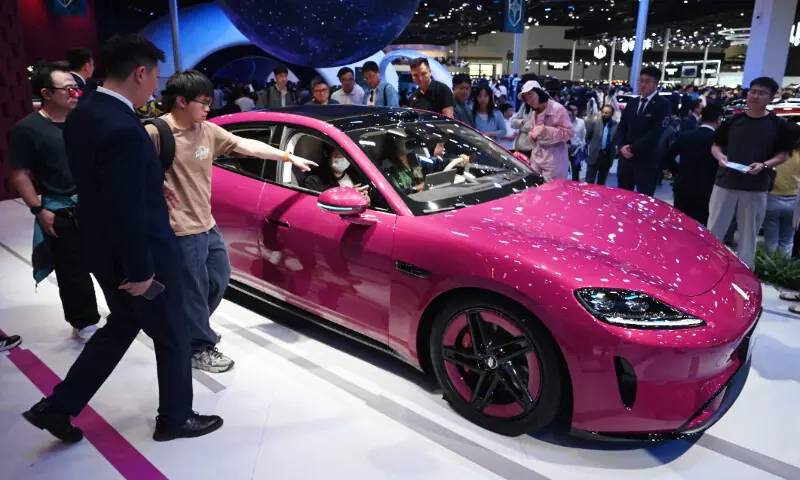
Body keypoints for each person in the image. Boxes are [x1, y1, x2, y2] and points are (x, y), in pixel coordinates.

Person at [22, 34, 222, 444]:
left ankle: (58, 407)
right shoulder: (121, 126)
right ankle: (175, 417)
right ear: (139, 72)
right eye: (154, 77)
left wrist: (152, 183)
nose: (156, 86)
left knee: (124, 324)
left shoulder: (85, 112)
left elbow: (108, 182)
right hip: (138, 255)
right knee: (173, 330)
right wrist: (142, 271)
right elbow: (129, 210)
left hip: (102, 245)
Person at [147, 70, 316, 373]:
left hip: (206, 224)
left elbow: (246, 146)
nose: (208, 108)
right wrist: (154, 180)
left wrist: (287, 158)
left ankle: (188, 328)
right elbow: (124, 167)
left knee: (219, 277)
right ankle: (198, 346)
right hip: (180, 229)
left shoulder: (207, 131)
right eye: (203, 102)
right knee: (195, 290)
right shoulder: (157, 133)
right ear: (182, 102)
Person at [10, 62, 101, 343]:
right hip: (60, 207)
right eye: (68, 88)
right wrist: (39, 210)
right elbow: (20, 174)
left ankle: (125, 310)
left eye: (77, 87)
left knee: (110, 259)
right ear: (47, 93)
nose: (75, 93)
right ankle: (84, 321)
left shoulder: (84, 121)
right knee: (72, 269)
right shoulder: (28, 129)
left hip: (96, 203)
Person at [709, 77, 794, 270]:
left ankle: (745, 272)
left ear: (772, 98)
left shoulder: (778, 124)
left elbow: (783, 154)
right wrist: (720, 158)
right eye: (753, 91)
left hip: (755, 186)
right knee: (714, 229)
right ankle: (709, 267)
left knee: (748, 235)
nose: (755, 96)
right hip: (725, 183)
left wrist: (764, 164)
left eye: (761, 93)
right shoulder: (733, 120)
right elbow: (716, 145)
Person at [614, 66, 671, 196]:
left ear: (656, 83)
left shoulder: (663, 104)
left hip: (646, 160)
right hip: (625, 160)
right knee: (622, 196)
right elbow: (621, 127)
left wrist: (633, 148)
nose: (643, 84)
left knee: (644, 199)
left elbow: (656, 133)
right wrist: (622, 146)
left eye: (647, 81)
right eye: (641, 81)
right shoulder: (632, 102)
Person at [663, 104, 724, 226]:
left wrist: (678, 172)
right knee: (701, 226)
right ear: (718, 119)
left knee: (680, 223)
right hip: (708, 188)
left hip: (683, 185)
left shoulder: (685, 136)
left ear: (701, 118)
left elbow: (667, 158)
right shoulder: (719, 141)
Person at [522, 80, 573, 180]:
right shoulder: (535, 112)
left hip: (554, 159)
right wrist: (533, 135)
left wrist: (547, 130)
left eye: (531, 96)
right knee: (534, 187)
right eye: (526, 99)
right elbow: (532, 132)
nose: (530, 100)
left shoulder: (558, 109)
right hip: (537, 156)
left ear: (539, 93)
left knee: (551, 191)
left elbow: (569, 133)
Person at [762, 123, 800, 256]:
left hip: (772, 198)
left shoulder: (773, 154)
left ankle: (769, 270)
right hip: (794, 200)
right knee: (788, 241)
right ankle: (784, 272)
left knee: (771, 241)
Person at [585, 105, 618, 185]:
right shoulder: (594, 123)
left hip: (607, 157)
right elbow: (587, 138)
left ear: (611, 114)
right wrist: (592, 147)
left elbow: (617, 140)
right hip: (594, 155)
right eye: (602, 112)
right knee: (589, 181)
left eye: (606, 113)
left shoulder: (616, 125)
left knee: (602, 182)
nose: (603, 114)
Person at [567, 103, 586, 182]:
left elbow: (583, 137)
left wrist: (580, 149)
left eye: (574, 110)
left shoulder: (581, 122)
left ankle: (575, 190)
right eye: (570, 110)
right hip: (564, 149)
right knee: (563, 172)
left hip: (576, 150)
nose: (572, 112)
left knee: (576, 173)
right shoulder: (563, 121)